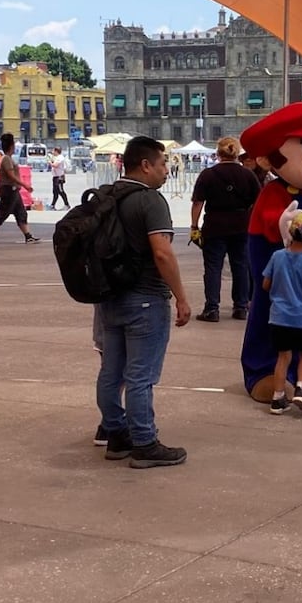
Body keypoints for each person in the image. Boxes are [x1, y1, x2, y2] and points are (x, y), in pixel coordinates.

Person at [95, 136, 192, 468]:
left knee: (111, 371)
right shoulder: (150, 200)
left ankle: (115, 434)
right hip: (146, 298)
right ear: (146, 165)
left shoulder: (107, 195)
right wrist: (181, 296)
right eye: (163, 163)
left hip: (110, 297)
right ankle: (144, 442)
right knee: (140, 376)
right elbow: (162, 253)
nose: (167, 170)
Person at [191, 136, 261, 322]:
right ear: (237, 153)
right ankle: (241, 307)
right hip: (241, 225)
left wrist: (194, 226)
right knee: (241, 266)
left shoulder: (208, 174)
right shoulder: (248, 175)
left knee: (213, 267)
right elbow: (258, 201)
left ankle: (212, 309)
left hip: (214, 225)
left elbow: (198, 203)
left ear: (218, 153)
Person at [263, 210, 302, 415]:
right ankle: (301, 389)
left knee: (283, 357)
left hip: (278, 317)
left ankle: (277, 398)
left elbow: (265, 284)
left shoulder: (277, 256)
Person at [0, 133, 39, 244]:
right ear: (12, 146)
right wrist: (25, 185)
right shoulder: (6, 159)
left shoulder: (8, 159)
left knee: (21, 212)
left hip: (14, 189)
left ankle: (28, 235)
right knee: (3, 212)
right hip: (9, 189)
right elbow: (10, 175)